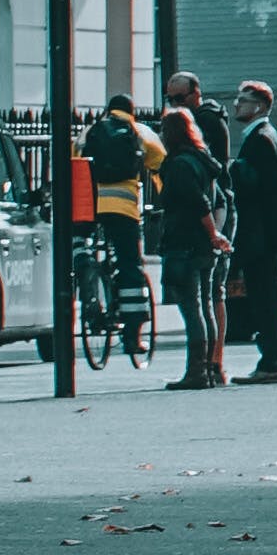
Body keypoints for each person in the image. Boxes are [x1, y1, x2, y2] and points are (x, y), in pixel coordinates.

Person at [158, 84, 231, 389]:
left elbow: (197, 203)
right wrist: (214, 235)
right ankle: (210, 368)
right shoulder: (203, 160)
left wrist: (213, 233)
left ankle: (197, 370)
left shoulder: (179, 165)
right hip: (202, 246)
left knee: (192, 308)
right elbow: (216, 201)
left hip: (185, 243)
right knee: (205, 305)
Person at [85, 89, 164, 355]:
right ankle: (132, 335)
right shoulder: (139, 132)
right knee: (130, 265)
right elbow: (160, 164)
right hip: (124, 210)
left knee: (87, 253)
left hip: (91, 209)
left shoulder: (90, 132)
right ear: (132, 112)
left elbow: (75, 163)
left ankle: (90, 296)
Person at [229, 86, 277, 377]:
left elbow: (255, 184)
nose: (236, 105)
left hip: (258, 233)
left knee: (263, 298)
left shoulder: (261, 139)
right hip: (265, 232)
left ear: (258, 106)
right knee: (269, 296)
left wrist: (233, 170)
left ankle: (272, 361)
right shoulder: (266, 136)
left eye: (242, 101)